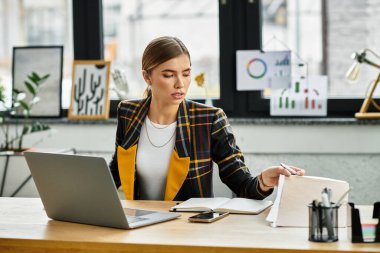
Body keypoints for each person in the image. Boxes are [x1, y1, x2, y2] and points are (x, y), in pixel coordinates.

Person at [109, 36, 305, 201]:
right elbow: (116, 171)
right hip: (139, 226)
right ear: (147, 77)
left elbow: (242, 184)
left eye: (186, 74)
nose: (180, 84)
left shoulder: (209, 119)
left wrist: (263, 181)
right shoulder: (128, 112)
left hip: (190, 229)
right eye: (169, 75)